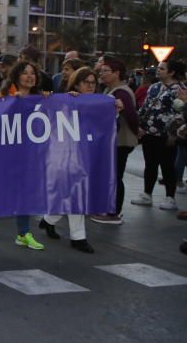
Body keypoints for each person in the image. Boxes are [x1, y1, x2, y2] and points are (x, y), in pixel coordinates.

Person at [40, 67, 97, 252]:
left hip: (86, 156)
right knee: (75, 194)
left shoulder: (98, 103)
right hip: (65, 156)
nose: (90, 86)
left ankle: (49, 219)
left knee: (71, 194)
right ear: (76, 84)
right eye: (85, 82)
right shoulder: (65, 102)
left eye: (93, 83)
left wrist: (116, 109)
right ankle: (78, 237)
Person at [0, 61, 48, 250]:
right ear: (17, 76)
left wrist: (74, 98)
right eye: (25, 73)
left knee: (25, 192)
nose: (30, 76)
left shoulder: (42, 98)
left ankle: (23, 233)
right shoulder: (6, 96)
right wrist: (9, 102)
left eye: (33, 73)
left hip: (31, 155)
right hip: (7, 155)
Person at [130, 59, 185, 211]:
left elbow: (180, 114)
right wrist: (139, 126)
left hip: (167, 135)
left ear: (171, 72)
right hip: (149, 133)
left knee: (167, 166)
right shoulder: (154, 87)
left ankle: (170, 197)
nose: (158, 70)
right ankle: (147, 194)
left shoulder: (180, 89)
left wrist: (173, 134)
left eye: (162, 68)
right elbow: (144, 107)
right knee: (150, 164)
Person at [92, 58, 138, 225]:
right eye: (101, 71)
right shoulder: (111, 90)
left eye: (106, 71)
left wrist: (136, 132)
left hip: (120, 141)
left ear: (117, 73)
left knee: (115, 176)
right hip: (115, 141)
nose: (102, 74)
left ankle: (113, 213)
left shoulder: (121, 92)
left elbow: (131, 115)